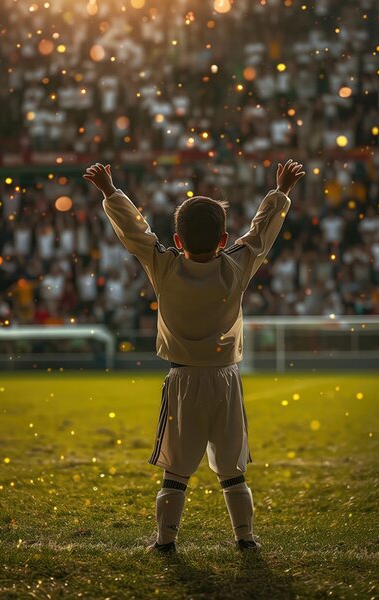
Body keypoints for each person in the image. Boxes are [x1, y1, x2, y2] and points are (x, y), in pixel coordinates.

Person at [83, 159, 305, 553]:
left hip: (184, 379)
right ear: (222, 239)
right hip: (226, 379)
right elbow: (261, 234)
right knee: (232, 469)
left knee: (177, 470)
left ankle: (165, 541)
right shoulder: (235, 266)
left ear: (178, 240)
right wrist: (281, 193)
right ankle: (245, 538)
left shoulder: (164, 267)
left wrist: (110, 192)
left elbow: (137, 233)